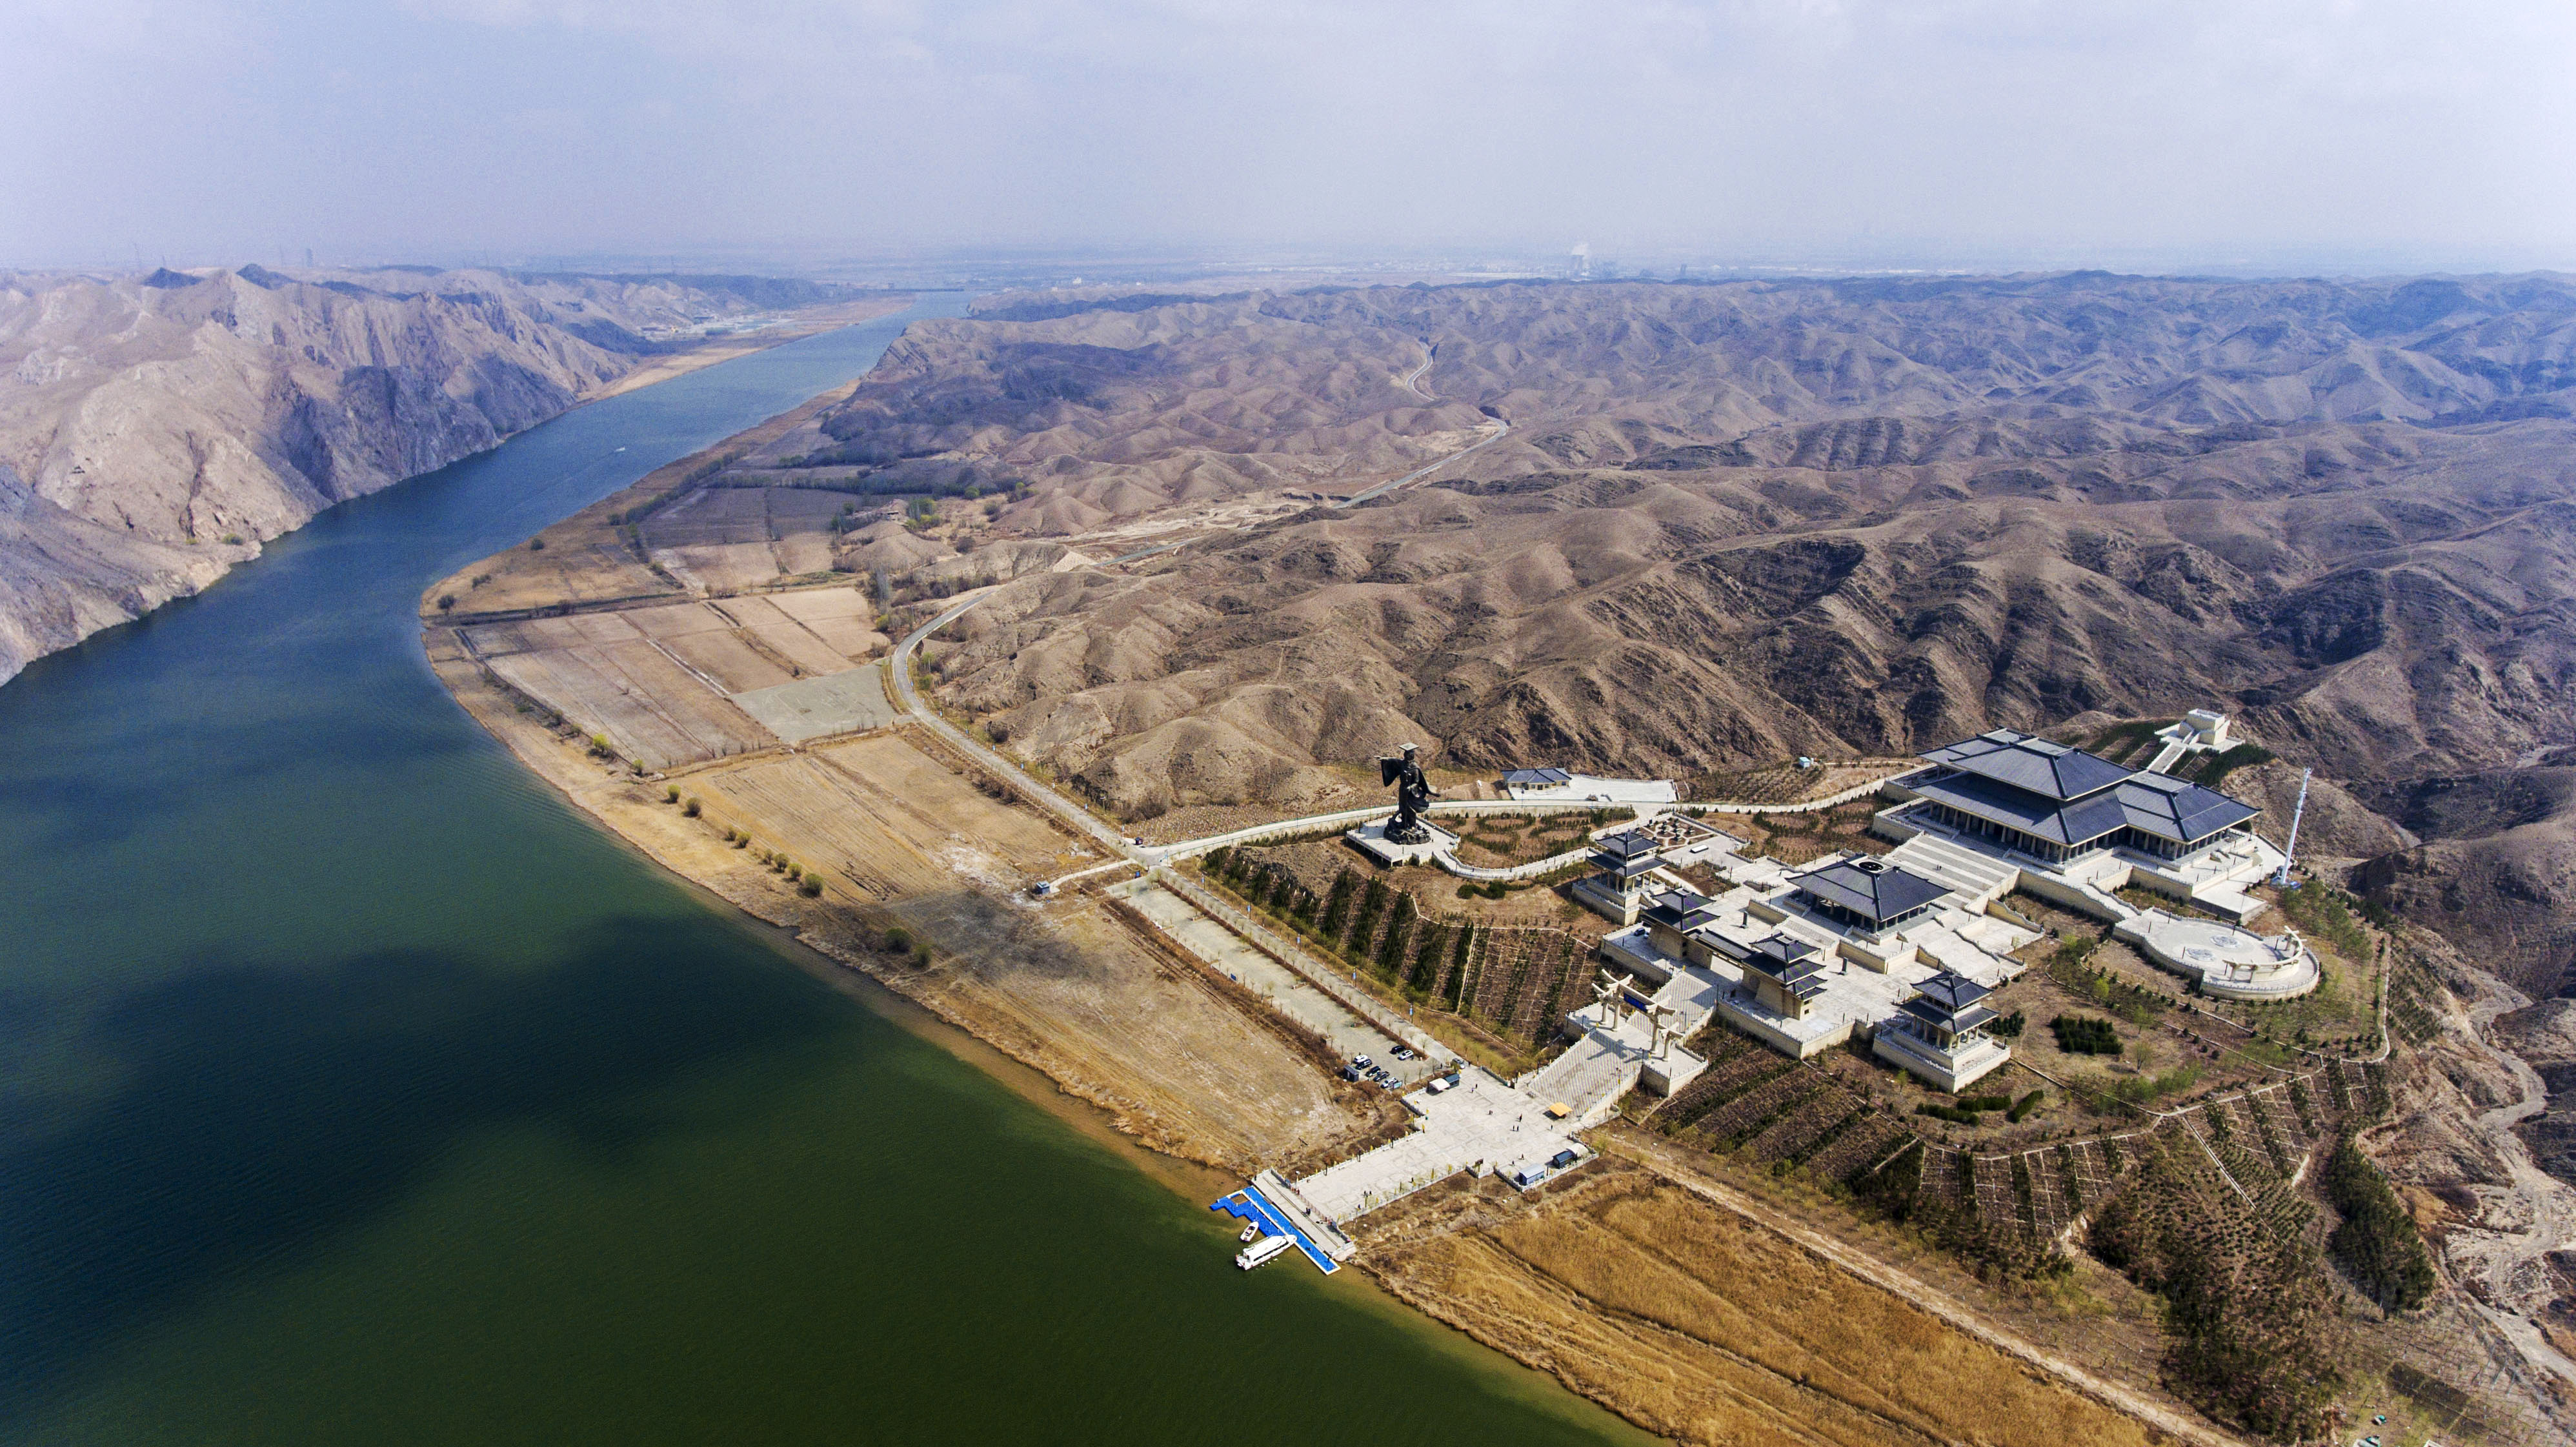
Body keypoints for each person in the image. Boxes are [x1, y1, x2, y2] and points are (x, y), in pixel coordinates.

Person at [1381, 742, 1435, 842]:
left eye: (1407, 755)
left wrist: (1410, 787)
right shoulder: (1403, 764)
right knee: (1402, 806)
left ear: (1411, 756)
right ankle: (1404, 823)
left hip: (1410, 792)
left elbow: (1417, 782)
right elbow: (1394, 761)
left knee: (1410, 809)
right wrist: (1384, 759)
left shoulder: (1415, 768)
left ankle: (1413, 826)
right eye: (1405, 755)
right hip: (1402, 790)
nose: (1405, 757)